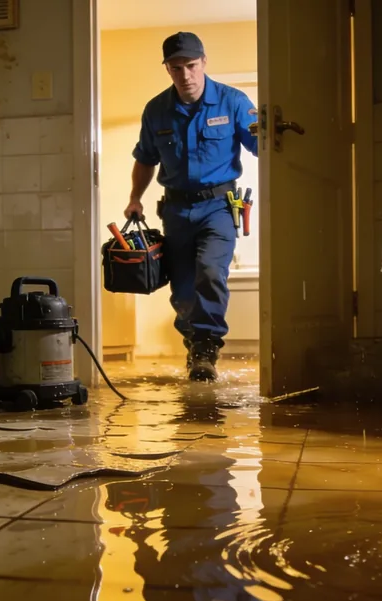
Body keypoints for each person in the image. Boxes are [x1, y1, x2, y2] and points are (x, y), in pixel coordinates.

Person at [125, 31, 259, 382]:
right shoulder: (156, 110)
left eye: (191, 65)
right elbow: (145, 159)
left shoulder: (233, 102)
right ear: (167, 69)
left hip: (219, 206)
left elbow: (265, 144)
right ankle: (195, 341)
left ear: (203, 63)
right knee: (183, 287)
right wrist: (135, 198)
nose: (185, 74)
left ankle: (206, 345)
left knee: (211, 271)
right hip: (176, 211)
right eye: (176, 67)